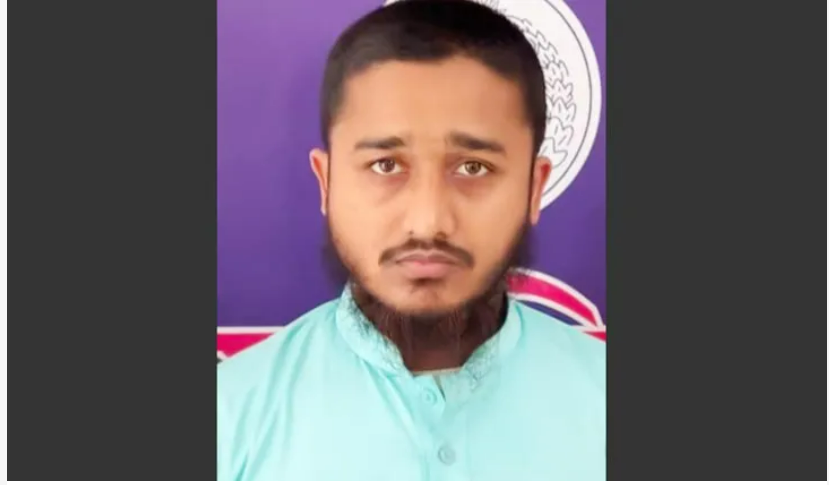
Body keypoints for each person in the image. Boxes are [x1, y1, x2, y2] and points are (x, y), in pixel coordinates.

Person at [217, 0, 605, 480]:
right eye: (385, 165)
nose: (427, 222)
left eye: (473, 167)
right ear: (326, 182)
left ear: (533, 187)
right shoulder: (228, 416)